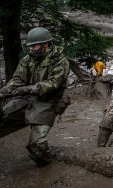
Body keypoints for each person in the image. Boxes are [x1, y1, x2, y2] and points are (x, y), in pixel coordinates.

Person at [0, 27, 70, 166]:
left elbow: (52, 84)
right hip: (25, 98)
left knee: (37, 144)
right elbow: (17, 80)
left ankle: (45, 167)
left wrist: (25, 89)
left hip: (48, 102)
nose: (32, 49)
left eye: (35, 46)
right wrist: (3, 92)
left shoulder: (60, 61)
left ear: (46, 44)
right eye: (30, 46)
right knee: (2, 118)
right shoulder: (27, 59)